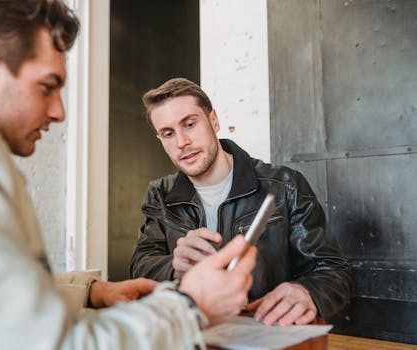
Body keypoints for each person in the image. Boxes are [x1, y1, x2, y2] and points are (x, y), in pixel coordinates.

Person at [0, 1, 257, 349]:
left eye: (190, 124)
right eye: (47, 86)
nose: (59, 112)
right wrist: (189, 309)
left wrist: (88, 292)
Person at [129, 77, 352, 326]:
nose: (181, 143)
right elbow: (140, 266)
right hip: (192, 333)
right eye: (168, 133)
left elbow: (332, 271)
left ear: (214, 120)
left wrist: (308, 292)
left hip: (265, 330)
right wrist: (174, 267)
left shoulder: (285, 185)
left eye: (190, 124)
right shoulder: (160, 193)